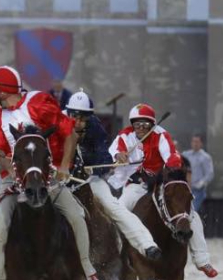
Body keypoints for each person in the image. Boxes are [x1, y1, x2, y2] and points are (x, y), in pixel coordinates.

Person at [0, 66, 107, 280]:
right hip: (14, 181)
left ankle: (89, 273)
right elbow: (0, 153)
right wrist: (13, 173)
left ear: (3, 90)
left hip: (49, 176)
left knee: (77, 216)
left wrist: (65, 164)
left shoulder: (39, 102)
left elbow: (69, 132)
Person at [108, 103, 218, 278]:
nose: (141, 128)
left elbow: (171, 156)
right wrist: (118, 156)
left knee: (192, 215)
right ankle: (117, 256)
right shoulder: (125, 135)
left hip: (159, 185)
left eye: (145, 125)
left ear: (152, 124)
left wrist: (170, 167)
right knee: (119, 211)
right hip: (135, 185)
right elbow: (115, 150)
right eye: (137, 124)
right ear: (132, 124)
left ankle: (202, 260)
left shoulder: (161, 135)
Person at [64, 90, 161, 261]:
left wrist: (94, 168)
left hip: (88, 180)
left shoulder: (94, 126)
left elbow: (104, 157)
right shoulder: (57, 122)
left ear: (89, 117)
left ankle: (146, 245)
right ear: (68, 112)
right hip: (61, 181)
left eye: (83, 118)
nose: (78, 122)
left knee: (113, 207)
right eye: (74, 116)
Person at [182, 134, 214, 213]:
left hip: (197, 190)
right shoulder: (186, 154)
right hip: (185, 188)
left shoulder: (205, 157)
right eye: (193, 141)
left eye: (197, 142)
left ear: (201, 144)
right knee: (182, 211)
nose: (195, 143)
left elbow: (210, 174)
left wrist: (201, 183)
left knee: (192, 211)